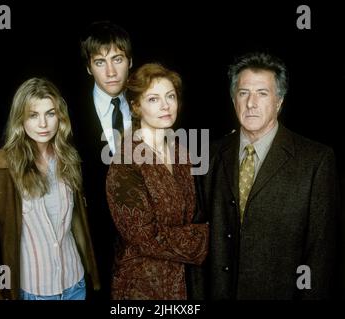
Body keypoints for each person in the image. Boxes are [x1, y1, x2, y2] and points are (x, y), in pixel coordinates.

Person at [0, 21, 132, 299]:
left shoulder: (154, 104)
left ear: (130, 61)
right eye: (99, 61)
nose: (110, 71)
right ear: (88, 67)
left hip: (113, 259)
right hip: (93, 251)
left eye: (117, 59)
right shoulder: (67, 110)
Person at [198, 52, 338, 299]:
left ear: (279, 101)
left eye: (262, 93)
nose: (251, 103)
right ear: (233, 100)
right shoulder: (209, 155)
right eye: (243, 93)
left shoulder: (316, 160)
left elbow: (320, 254)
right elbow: (198, 237)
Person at [0, 78, 100, 300]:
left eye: (50, 114)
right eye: (33, 115)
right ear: (20, 119)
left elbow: (80, 224)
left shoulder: (70, 159)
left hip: (75, 285)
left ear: (60, 117)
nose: (43, 124)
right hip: (32, 291)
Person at [106, 63, 209, 299]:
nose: (165, 106)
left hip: (185, 284)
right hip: (141, 286)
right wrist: (207, 237)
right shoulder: (125, 162)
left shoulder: (183, 152)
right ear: (136, 107)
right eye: (153, 99)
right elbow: (145, 237)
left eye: (170, 96)